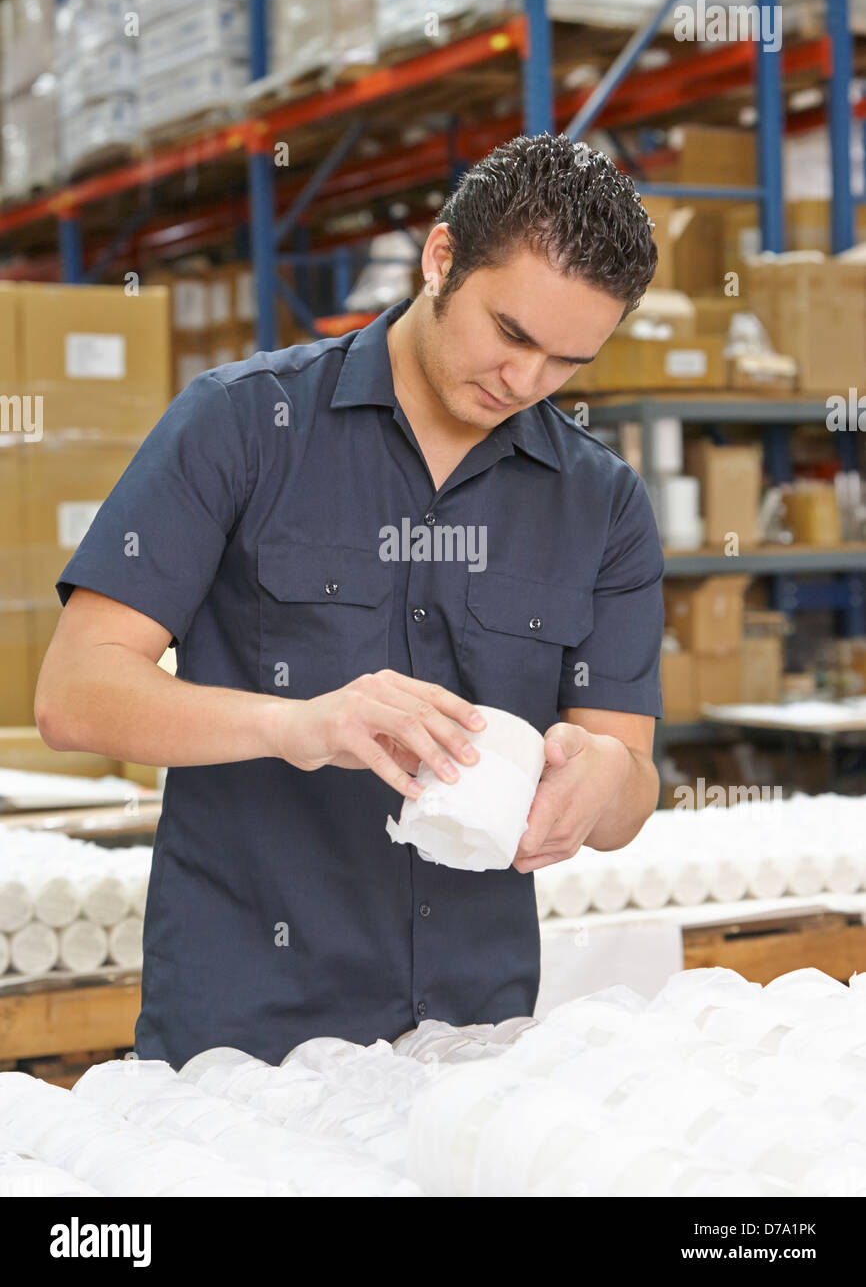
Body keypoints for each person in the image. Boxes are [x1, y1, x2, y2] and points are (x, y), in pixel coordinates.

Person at [35, 132, 664, 1069]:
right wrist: (301, 725)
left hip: (475, 1037)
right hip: (243, 1036)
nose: (524, 383)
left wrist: (607, 782)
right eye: (512, 334)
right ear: (441, 257)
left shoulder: (602, 502)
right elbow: (73, 696)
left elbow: (632, 782)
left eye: (568, 362)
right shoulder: (242, 424)